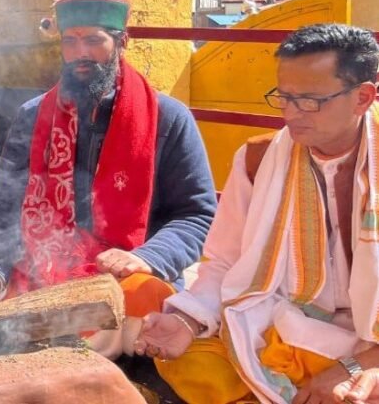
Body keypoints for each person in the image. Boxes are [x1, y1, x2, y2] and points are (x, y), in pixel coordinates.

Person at [137, 24, 379, 404]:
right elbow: (224, 262)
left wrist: (356, 366)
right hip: (286, 328)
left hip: (371, 347)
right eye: (284, 97)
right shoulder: (258, 159)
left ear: (363, 97)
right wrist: (187, 319)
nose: (291, 114)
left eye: (309, 101)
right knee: (191, 361)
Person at [0, 0, 216, 356]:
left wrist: (148, 256)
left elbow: (196, 214)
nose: (80, 53)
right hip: (41, 264)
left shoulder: (168, 118)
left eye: (94, 41)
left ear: (122, 42)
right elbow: (5, 204)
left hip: (127, 272)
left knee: (144, 309)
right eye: (70, 41)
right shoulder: (33, 116)